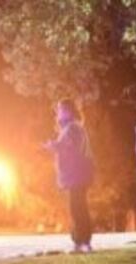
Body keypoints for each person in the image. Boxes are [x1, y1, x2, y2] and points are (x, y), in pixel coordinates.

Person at [44, 98, 94, 253]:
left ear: (68, 111)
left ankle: (82, 242)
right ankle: (81, 241)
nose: (57, 112)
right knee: (78, 207)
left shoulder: (72, 128)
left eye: (60, 109)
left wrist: (54, 146)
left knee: (77, 208)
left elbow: (71, 147)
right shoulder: (71, 127)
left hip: (77, 174)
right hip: (77, 174)